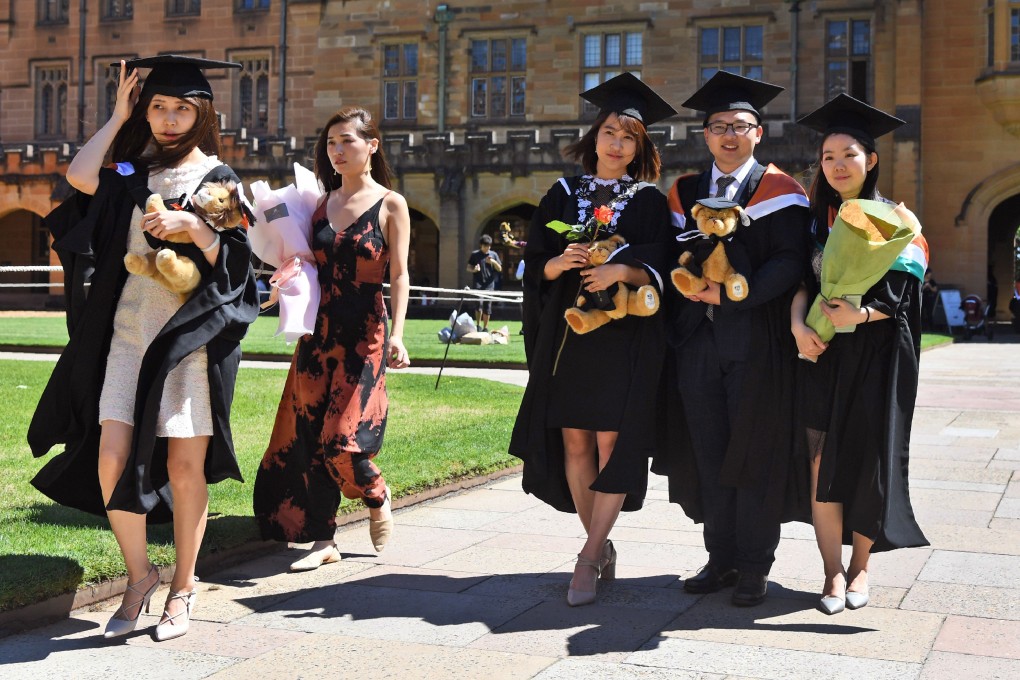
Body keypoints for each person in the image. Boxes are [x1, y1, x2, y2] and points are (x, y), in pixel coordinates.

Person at [27, 56, 259, 641]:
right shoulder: (131, 171)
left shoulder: (219, 180)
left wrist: (197, 231)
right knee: (110, 458)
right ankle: (140, 577)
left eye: (182, 108)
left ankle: (183, 588)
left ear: (202, 112)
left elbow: (237, 271)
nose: (169, 118)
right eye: (158, 106)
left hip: (187, 342)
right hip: (127, 334)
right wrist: (116, 116)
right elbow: (80, 179)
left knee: (184, 468)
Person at [509, 72, 676, 607]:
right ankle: (597, 545)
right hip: (568, 338)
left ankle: (587, 557)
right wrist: (559, 263)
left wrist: (621, 272)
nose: (616, 143)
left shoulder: (650, 200)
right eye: (609, 132)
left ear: (639, 147)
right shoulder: (561, 193)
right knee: (575, 441)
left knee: (611, 441)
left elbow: (665, 261)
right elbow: (534, 261)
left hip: (623, 339)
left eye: (628, 137)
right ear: (594, 137)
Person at [658, 71, 811, 607]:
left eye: (740, 126)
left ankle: (753, 565)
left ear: (758, 133)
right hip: (697, 344)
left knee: (754, 452)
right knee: (709, 452)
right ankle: (719, 557)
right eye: (718, 126)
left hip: (756, 343)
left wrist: (732, 298)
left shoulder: (784, 192)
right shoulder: (683, 192)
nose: (728, 135)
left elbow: (791, 262)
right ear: (704, 134)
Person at [253, 106, 411, 572]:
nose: (337, 151)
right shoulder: (318, 203)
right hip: (318, 335)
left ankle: (376, 493)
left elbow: (399, 275)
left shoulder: (390, 204)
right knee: (309, 435)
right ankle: (322, 538)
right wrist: (282, 284)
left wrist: (399, 334)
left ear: (372, 146)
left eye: (347, 141)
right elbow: (303, 261)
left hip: (365, 334)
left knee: (342, 438)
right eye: (331, 144)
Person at [791, 94, 930, 615]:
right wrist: (796, 323)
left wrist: (862, 315)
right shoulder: (812, 221)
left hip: (874, 356)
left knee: (867, 464)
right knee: (820, 461)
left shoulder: (897, 221)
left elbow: (903, 298)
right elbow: (800, 282)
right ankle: (830, 574)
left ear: (870, 160)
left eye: (847, 154)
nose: (837, 165)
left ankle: (861, 569)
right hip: (821, 353)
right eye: (828, 157)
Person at [466, 234, 502, 330]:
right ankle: (478, 325)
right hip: (478, 284)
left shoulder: (493, 255)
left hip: (489, 285)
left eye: (489, 246)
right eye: (486, 246)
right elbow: (468, 267)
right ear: (481, 245)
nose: (488, 248)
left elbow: (500, 269)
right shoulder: (475, 255)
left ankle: (486, 327)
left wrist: (493, 262)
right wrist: (474, 270)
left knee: (487, 306)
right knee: (478, 304)